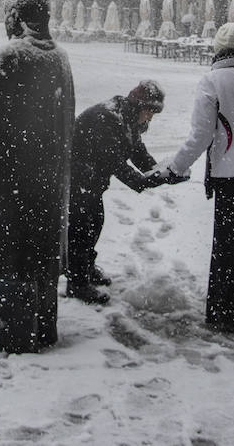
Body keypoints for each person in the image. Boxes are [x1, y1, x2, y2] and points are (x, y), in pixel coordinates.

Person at [0, 0, 75, 354]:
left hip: (11, 182)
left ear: (17, 17)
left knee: (11, 258)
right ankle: (43, 328)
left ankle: (13, 333)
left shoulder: (9, 57)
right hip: (48, 180)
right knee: (39, 256)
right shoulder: (60, 58)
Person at [157, 22, 234, 333]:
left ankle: (223, 311)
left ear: (216, 49)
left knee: (229, 244)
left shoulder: (212, 81)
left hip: (233, 173)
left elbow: (200, 134)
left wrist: (177, 166)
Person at [65, 80, 184, 304]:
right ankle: (77, 283)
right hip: (77, 179)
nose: (150, 117)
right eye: (150, 111)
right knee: (81, 230)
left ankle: (86, 269)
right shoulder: (109, 119)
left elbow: (138, 152)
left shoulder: (127, 118)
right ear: (140, 105)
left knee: (94, 224)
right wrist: (146, 181)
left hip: (90, 181)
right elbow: (115, 163)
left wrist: (161, 171)